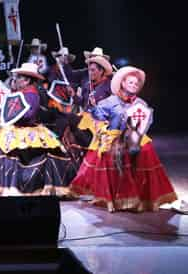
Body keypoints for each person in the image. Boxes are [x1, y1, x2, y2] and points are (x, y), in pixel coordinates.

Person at [69, 66, 177, 212]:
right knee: (111, 153)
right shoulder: (110, 101)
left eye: (136, 84)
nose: (133, 85)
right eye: (130, 82)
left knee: (146, 150)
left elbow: (146, 121)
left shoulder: (140, 103)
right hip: (113, 135)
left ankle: (138, 198)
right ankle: (113, 198)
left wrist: (136, 131)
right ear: (123, 84)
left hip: (133, 136)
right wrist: (95, 111)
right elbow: (98, 117)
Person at [0, 63, 75, 196]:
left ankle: (11, 185)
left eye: (19, 77)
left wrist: (11, 119)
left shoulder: (32, 95)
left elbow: (28, 114)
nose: (16, 80)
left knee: (2, 146)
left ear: (27, 80)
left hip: (25, 130)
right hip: (15, 126)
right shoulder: (22, 92)